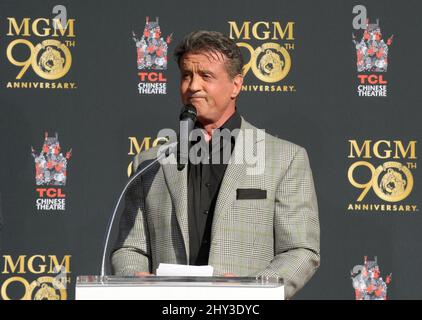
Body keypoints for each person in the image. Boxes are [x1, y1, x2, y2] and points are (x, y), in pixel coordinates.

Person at [111, 30, 320, 299]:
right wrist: (136, 281)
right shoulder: (151, 163)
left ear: (236, 85)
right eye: (187, 75)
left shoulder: (285, 159)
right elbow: (130, 249)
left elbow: (301, 250)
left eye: (206, 76)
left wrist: (251, 291)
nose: (193, 86)